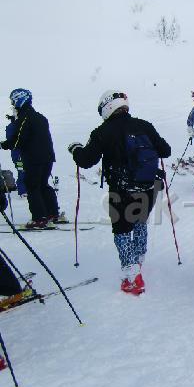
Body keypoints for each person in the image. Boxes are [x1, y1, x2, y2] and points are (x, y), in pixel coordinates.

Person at [68, 90, 171, 295]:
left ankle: (132, 276)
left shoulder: (102, 131)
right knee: (140, 222)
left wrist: (75, 149)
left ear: (107, 107)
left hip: (121, 191)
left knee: (122, 231)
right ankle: (139, 259)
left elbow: (86, 160)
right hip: (148, 187)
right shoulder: (144, 125)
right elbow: (165, 151)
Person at [0, 89, 64, 229]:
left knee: (32, 186)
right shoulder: (39, 117)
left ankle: (39, 219)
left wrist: (3, 145)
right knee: (43, 184)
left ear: (19, 100)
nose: (13, 105)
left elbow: (18, 140)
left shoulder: (25, 118)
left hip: (34, 158)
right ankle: (53, 214)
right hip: (47, 157)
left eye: (13, 101)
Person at [4, 111, 27, 196]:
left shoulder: (24, 125)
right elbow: (11, 141)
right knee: (21, 170)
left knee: (27, 170)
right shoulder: (11, 127)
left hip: (25, 153)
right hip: (17, 154)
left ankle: (28, 188)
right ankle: (23, 190)